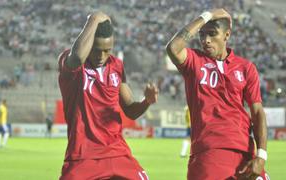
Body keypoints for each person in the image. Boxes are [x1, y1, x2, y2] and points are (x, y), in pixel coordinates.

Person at [166, 9, 269, 180]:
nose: (205, 40)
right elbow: (173, 48)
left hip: (246, 153)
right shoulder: (194, 61)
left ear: (227, 35)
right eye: (202, 35)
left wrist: (261, 156)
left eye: (212, 34)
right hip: (209, 153)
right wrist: (206, 15)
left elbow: (257, 112)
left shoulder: (246, 67)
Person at [58, 11, 158, 180]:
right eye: (97, 50)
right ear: (89, 44)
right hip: (83, 155)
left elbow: (131, 110)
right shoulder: (72, 64)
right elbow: (76, 57)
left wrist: (146, 101)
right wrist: (94, 18)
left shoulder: (117, 66)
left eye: (107, 50)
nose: (102, 56)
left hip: (117, 152)